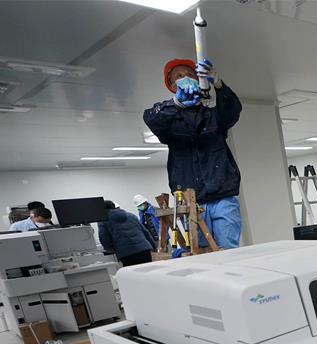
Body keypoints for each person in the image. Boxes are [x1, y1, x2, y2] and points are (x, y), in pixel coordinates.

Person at [143, 57, 242, 249]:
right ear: (172, 85)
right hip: (191, 201)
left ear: (199, 80)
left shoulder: (213, 116)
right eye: (179, 76)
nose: (185, 78)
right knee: (200, 252)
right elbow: (151, 118)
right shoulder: (168, 120)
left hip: (223, 195)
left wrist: (219, 85)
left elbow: (232, 110)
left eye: (190, 75)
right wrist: (178, 103)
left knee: (229, 251)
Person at [98, 200, 156, 267]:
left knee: (133, 275)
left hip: (126, 253)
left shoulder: (103, 220)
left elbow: (104, 237)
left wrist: (109, 248)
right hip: (144, 249)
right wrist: (153, 246)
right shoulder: (131, 215)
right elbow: (145, 232)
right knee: (149, 272)